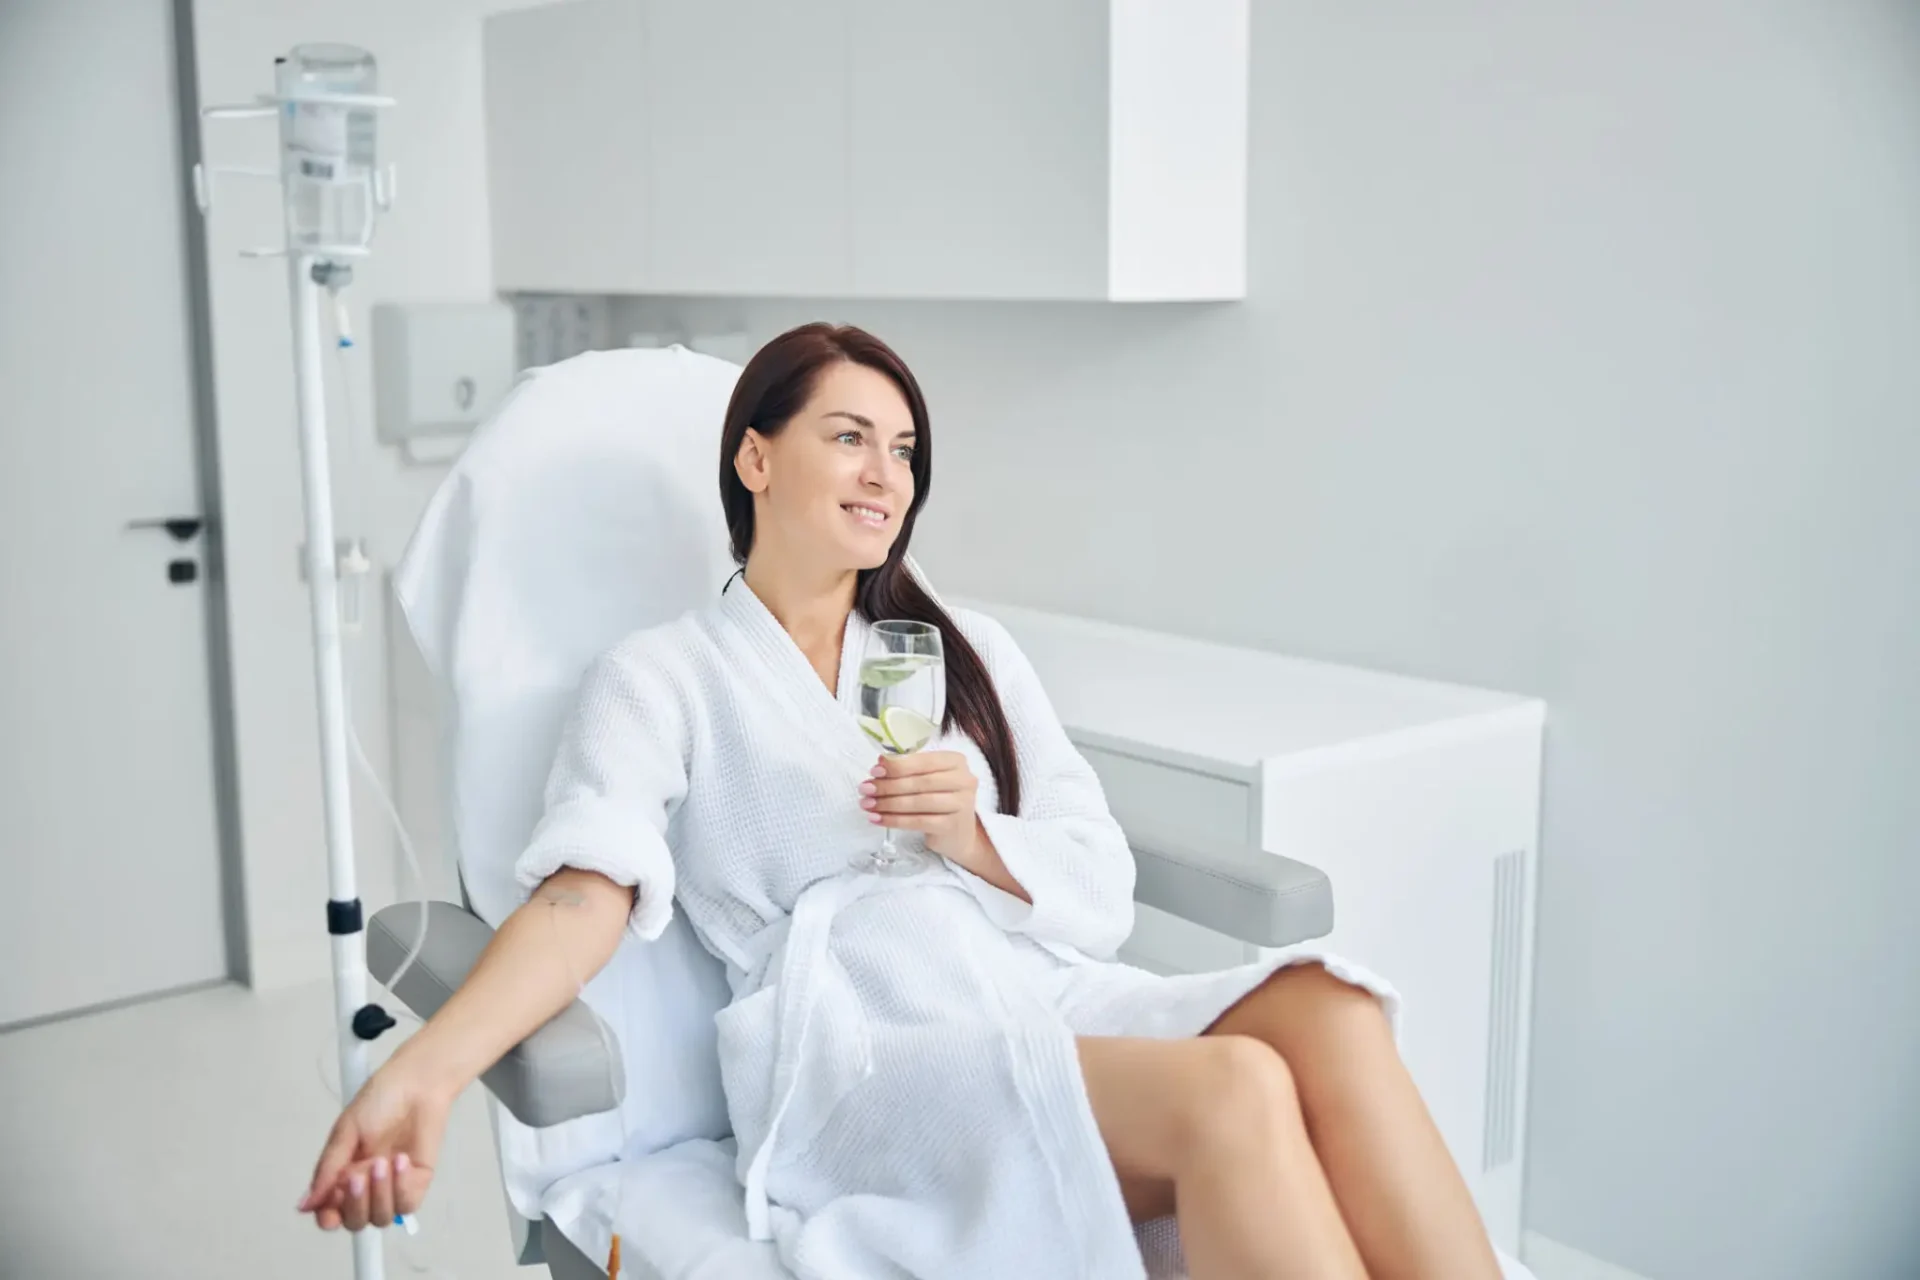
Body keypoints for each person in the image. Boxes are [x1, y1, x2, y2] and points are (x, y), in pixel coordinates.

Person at [298, 323, 1504, 1280]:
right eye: (851, 436)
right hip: (861, 1047)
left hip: (1027, 990)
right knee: (1236, 1086)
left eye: (907, 449)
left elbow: (1095, 875)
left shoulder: (957, 647)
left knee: (1330, 1008)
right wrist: (430, 1072)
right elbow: (581, 895)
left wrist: (970, 832)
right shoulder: (662, 673)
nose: (888, 474)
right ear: (755, 457)